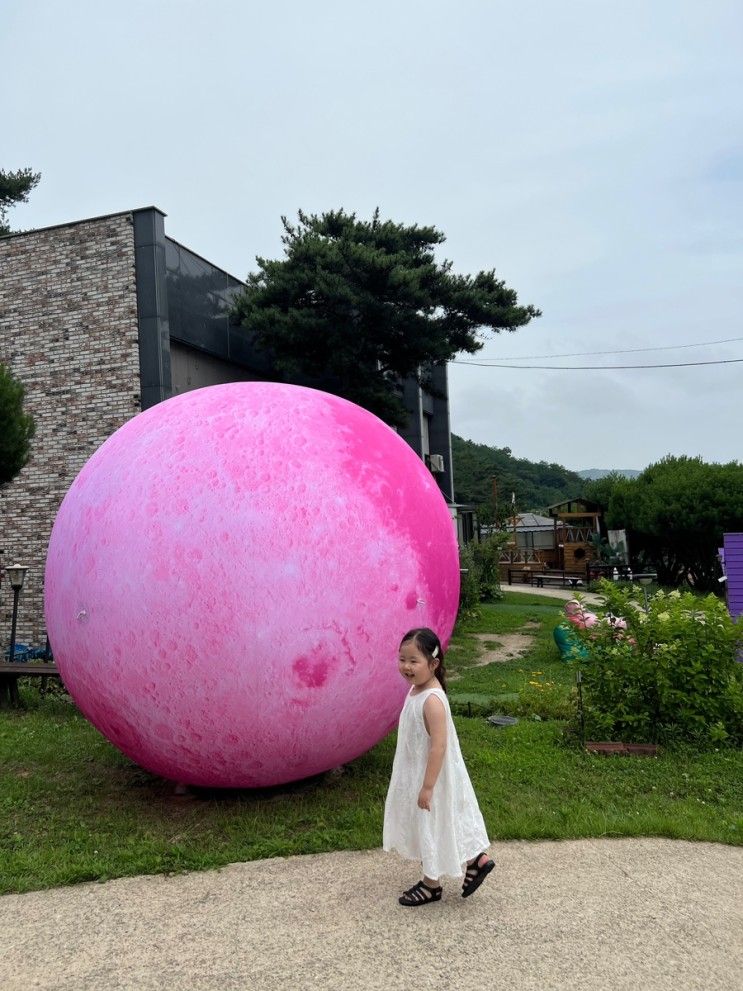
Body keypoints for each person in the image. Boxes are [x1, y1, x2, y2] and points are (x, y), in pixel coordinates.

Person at [383, 627, 494, 906]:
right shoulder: (417, 690)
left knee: (432, 821)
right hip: (423, 771)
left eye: (414, 661)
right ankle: (476, 860)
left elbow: (439, 746)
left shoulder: (432, 700)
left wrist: (428, 786)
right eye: (402, 659)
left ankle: (431, 884)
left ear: (434, 664)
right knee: (448, 817)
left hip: (433, 775)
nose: (406, 666)